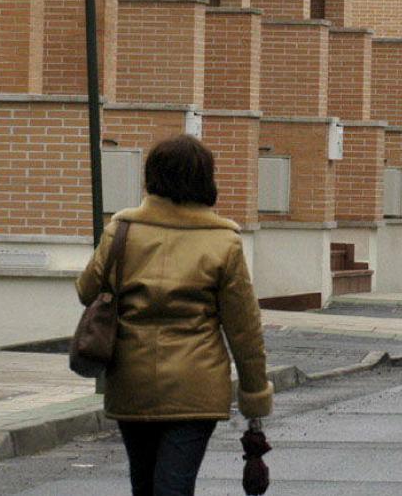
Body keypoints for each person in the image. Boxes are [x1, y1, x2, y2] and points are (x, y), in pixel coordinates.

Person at [77, 135, 272, 496]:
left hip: (131, 381)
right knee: (174, 485)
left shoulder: (121, 231)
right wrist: (254, 393)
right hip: (196, 387)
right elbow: (244, 330)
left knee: (144, 482)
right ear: (205, 181)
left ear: (151, 176)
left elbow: (86, 290)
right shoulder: (224, 242)